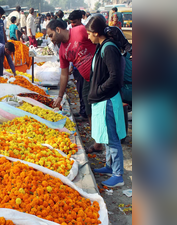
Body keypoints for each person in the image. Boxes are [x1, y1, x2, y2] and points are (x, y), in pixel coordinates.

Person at [46, 19, 103, 153]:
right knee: (89, 109)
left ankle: (108, 142)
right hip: (87, 79)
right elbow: (64, 74)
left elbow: (99, 39)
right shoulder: (62, 51)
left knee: (104, 109)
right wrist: (60, 96)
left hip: (100, 75)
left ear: (58, 29)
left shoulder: (80, 31)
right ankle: (98, 143)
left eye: (51, 35)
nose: (51, 40)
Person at [85, 15, 126, 187]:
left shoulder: (108, 48)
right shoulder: (102, 46)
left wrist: (100, 90)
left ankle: (118, 174)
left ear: (95, 33)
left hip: (108, 99)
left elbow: (114, 76)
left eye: (89, 33)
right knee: (107, 136)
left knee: (113, 137)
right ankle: (110, 166)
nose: (87, 36)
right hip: (104, 98)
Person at [67, 10, 87, 118]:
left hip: (83, 67)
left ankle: (84, 113)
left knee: (83, 90)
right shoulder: (72, 32)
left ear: (80, 20)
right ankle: (82, 111)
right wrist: (71, 65)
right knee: (79, 89)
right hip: (76, 67)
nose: (72, 24)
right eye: (71, 22)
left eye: (74, 22)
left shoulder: (85, 32)